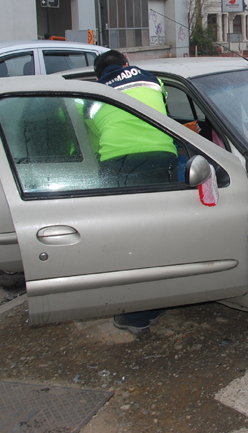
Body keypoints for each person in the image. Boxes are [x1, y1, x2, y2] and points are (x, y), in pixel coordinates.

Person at [93, 50, 177, 335]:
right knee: (155, 234)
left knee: (129, 240)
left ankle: (136, 314)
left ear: (98, 75)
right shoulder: (152, 79)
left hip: (118, 163)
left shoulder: (93, 93)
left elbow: (95, 140)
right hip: (160, 158)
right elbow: (164, 113)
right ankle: (150, 306)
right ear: (126, 64)